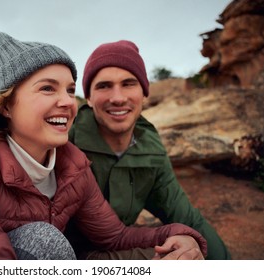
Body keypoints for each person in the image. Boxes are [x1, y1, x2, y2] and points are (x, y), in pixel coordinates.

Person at [0, 31, 207, 260]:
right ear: (5, 106)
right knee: (43, 240)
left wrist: (178, 235)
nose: (67, 101)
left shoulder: (72, 165)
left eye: (70, 89)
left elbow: (114, 236)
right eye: (47, 88)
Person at [66, 40, 231, 260]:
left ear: (144, 92)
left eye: (129, 83)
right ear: (88, 97)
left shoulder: (151, 152)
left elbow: (186, 217)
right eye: (104, 86)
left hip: (118, 248)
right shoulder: (64, 143)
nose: (118, 98)